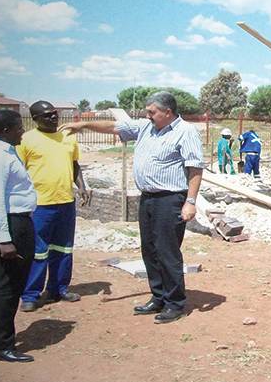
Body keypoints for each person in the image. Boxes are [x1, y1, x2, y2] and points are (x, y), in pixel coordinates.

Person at [60, 92, 204, 324]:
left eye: (151, 112)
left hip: (171, 200)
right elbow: (114, 126)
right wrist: (84, 124)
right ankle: (158, 296)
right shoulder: (146, 127)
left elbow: (195, 168)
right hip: (147, 198)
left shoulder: (186, 132)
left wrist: (190, 201)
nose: (147, 115)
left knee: (167, 251)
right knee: (149, 250)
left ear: (168, 112)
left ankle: (175, 303)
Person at [0, 109, 38, 362]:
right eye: (19, 127)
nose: (23, 131)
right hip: (12, 224)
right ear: (6, 132)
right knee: (9, 285)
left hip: (11, 222)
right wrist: (4, 239)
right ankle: (1, 344)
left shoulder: (0, 151)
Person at [18, 101, 91, 312]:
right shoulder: (26, 140)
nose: (53, 118)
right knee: (38, 251)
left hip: (65, 202)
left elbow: (74, 164)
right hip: (39, 205)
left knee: (63, 248)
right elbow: (18, 172)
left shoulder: (67, 136)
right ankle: (30, 295)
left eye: (55, 114)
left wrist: (82, 187)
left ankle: (58, 289)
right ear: (35, 119)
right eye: (47, 115)